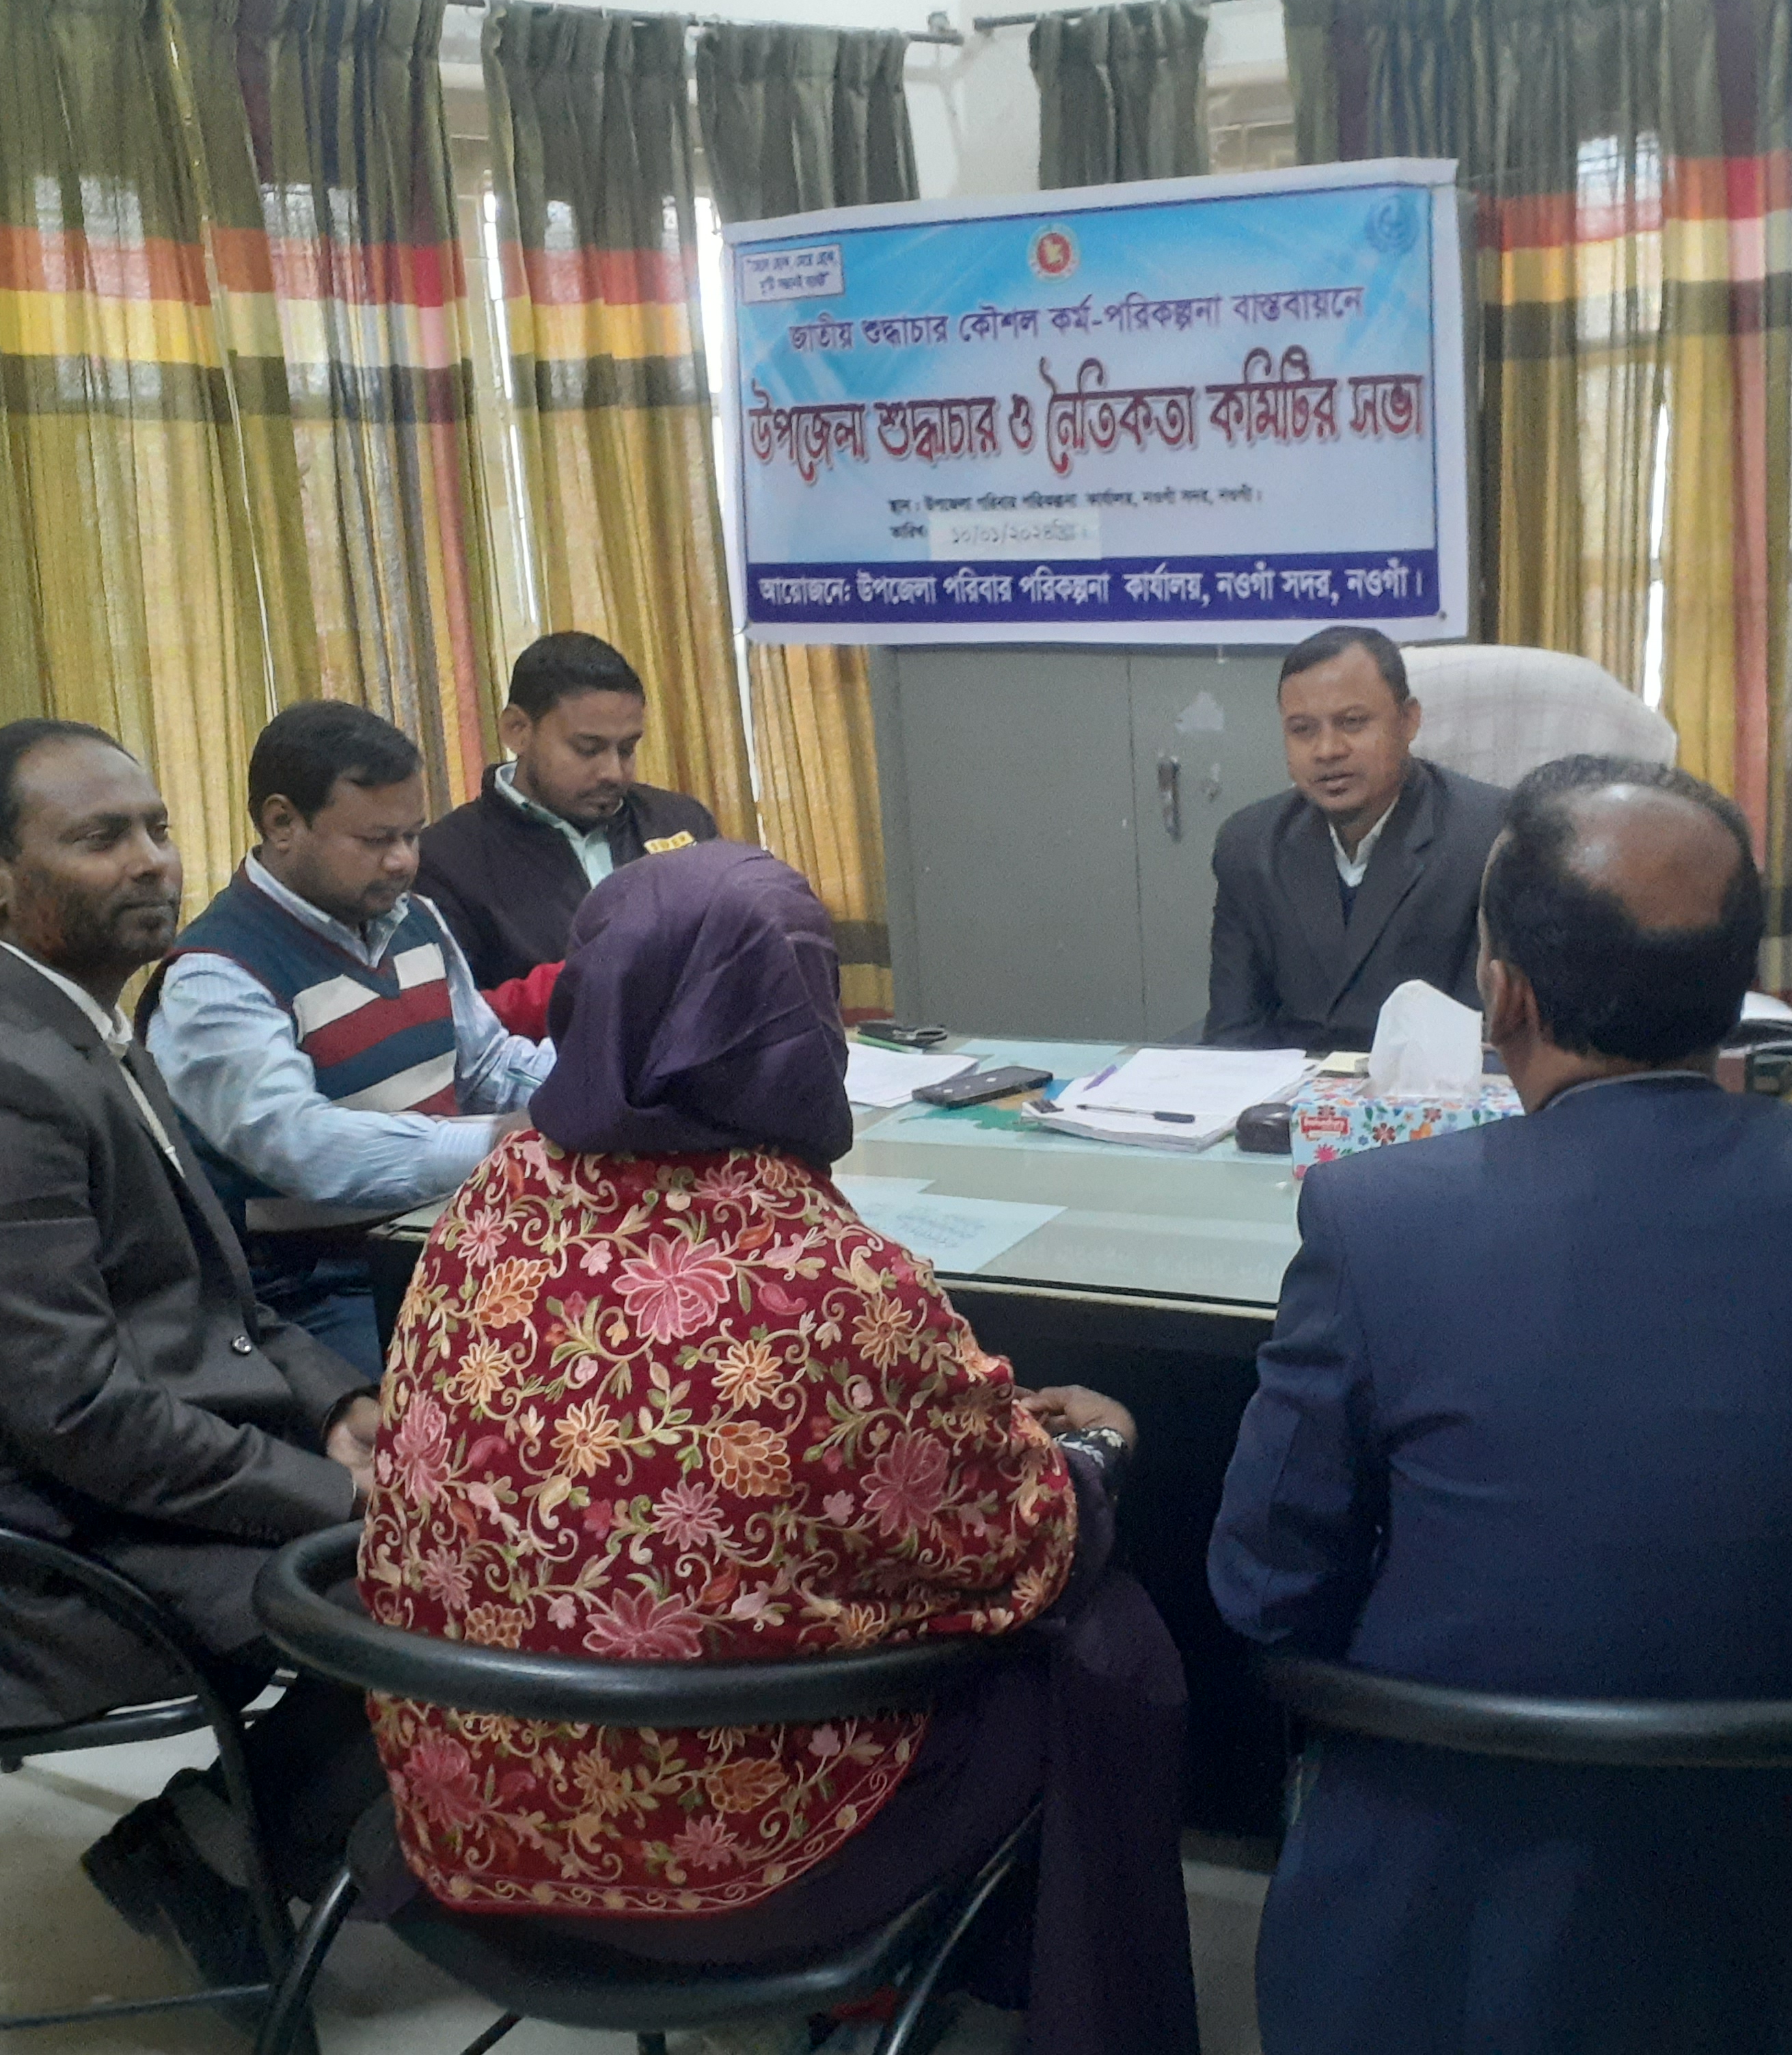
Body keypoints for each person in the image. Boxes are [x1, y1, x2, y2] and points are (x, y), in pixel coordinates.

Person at [1209, 755, 1792, 2055]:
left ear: (1502, 992)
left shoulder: (1376, 1221)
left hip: (1455, 1935)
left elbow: (1266, 1591)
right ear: (1742, 994)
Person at [363, 843, 1199, 2055]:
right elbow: (1027, 1544)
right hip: (738, 1872)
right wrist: (1098, 1452)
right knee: (1104, 1634)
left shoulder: (486, 1208)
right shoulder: (830, 1281)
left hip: (468, 1809)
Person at [0, 718, 388, 1993]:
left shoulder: (78, 1028)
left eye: (157, 828)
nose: (151, 861)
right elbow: (80, 1419)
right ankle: (216, 1848)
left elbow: (218, 1302)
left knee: (481, 1505)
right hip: (49, 1554)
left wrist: (336, 1404)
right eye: (98, 838)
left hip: (128, 1480)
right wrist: (341, 1494)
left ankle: (258, 1826)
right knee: (456, 1578)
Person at [144, 701, 552, 1374]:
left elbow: (486, 1065)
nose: (402, 861)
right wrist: (495, 1141)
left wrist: (598, 1088)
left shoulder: (416, 919)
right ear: (282, 823)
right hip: (314, 1291)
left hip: (448, 1237)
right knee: (460, 1396)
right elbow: (301, 1145)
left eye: (413, 835)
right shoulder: (216, 975)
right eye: (375, 840)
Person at [1204, 625, 1506, 1052]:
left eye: (1352, 723)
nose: (1327, 750)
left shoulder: (1491, 835)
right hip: (1288, 1088)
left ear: (1409, 720)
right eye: (1303, 729)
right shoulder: (1250, 845)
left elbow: (1498, 1039)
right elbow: (1232, 1036)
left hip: (1430, 1087)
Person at [414, 630, 720, 1034]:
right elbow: (460, 1027)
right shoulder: (445, 860)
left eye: (627, 749)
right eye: (588, 749)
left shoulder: (680, 820)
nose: (613, 772)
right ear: (517, 730)